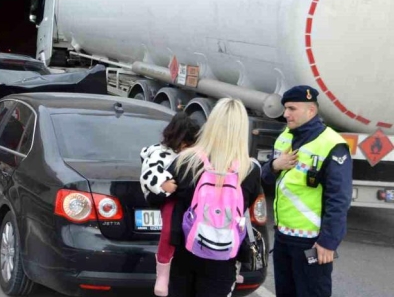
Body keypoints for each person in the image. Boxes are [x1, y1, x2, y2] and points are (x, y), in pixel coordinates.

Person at [167, 98, 263, 297]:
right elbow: (248, 206)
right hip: (224, 255)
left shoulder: (186, 161)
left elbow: (160, 196)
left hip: (186, 250)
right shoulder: (250, 169)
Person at [261, 85, 351, 297]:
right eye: (285, 108)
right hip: (283, 236)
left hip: (311, 241)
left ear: (311, 111)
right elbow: (265, 178)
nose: (286, 114)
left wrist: (328, 242)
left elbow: (339, 199)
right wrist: (275, 165)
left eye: (292, 109)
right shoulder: (284, 137)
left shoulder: (332, 144)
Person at [139, 112, 200, 296]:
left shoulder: (191, 155)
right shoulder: (158, 153)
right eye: (186, 143)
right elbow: (149, 174)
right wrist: (163, 184)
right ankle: (162, 275)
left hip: (188, 205)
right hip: (170, 202)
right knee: (168, 234)